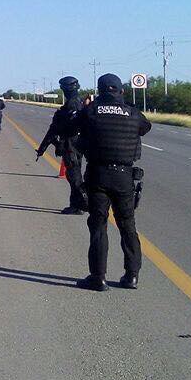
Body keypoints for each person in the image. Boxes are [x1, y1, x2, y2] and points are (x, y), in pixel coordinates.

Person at [70, 74, 151, 290]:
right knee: (127, 225)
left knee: (98, 226)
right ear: (121, 91)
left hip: (98, 175)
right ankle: (132, 276)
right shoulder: (133, 113)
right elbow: (145, 127)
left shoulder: (91, 111)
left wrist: (91, 107)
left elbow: (73, 127)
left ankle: (98, 277)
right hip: (124, 176)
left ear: (100, 91)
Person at [36, 76, 88, 214]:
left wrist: (49, 144)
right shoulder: (79, 102)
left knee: (74, 176)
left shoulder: (73, 104)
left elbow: (60, 128)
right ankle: (76, 204)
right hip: (75, 143)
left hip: (72, 144)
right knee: (74, 175)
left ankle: (81, 205)